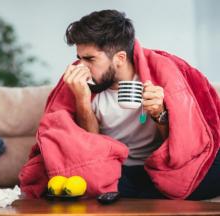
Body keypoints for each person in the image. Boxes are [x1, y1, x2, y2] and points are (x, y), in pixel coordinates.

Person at [62, 9, 220, 200]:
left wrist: (160, 113)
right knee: (82, 176)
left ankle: (140, 195)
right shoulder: (85, 88)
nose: (81, 66)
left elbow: (180, 144)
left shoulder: (157, 76)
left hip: (162, 165)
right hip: (120, 171)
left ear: (120, 58)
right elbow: (91, 150)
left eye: (89, 59)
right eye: (79, 58)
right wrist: (82, 100)